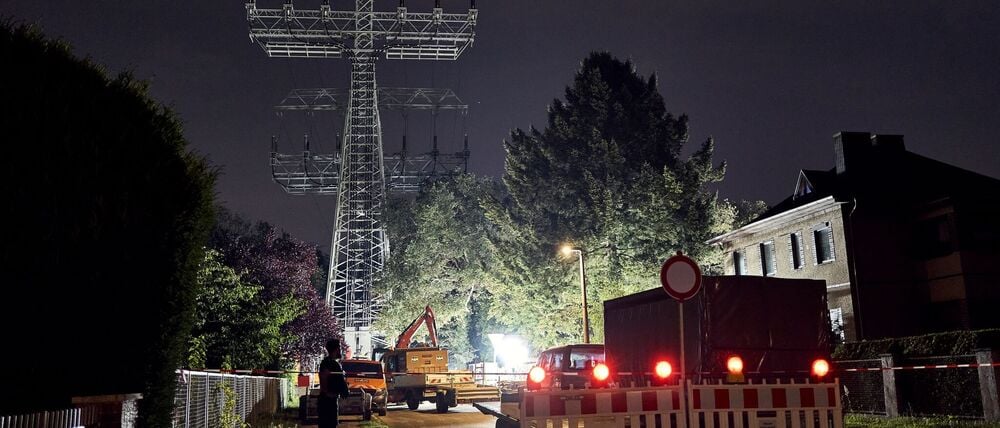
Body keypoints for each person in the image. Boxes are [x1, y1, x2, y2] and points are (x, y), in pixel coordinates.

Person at [318, 338, 350, 428]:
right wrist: (327, 393)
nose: (340, 351)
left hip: (329, 399)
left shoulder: (330, 363)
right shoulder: (328, 363)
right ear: (336, 349)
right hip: (327, 401)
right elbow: (323, 378)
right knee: (329, 425)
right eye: (339, 348)